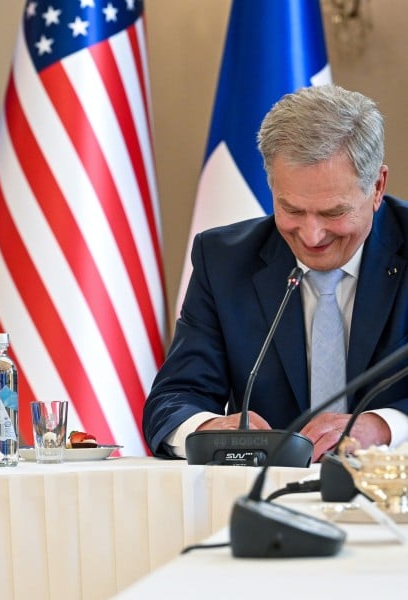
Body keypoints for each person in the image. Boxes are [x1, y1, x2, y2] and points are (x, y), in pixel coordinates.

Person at [143, 84, 408, 462]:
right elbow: (173, 400)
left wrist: (384, 426)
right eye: (293, 210)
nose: (312, 236)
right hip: (263, 497)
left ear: (377, 187)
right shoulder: (224, 261)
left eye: (334, 213)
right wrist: (205, 429)